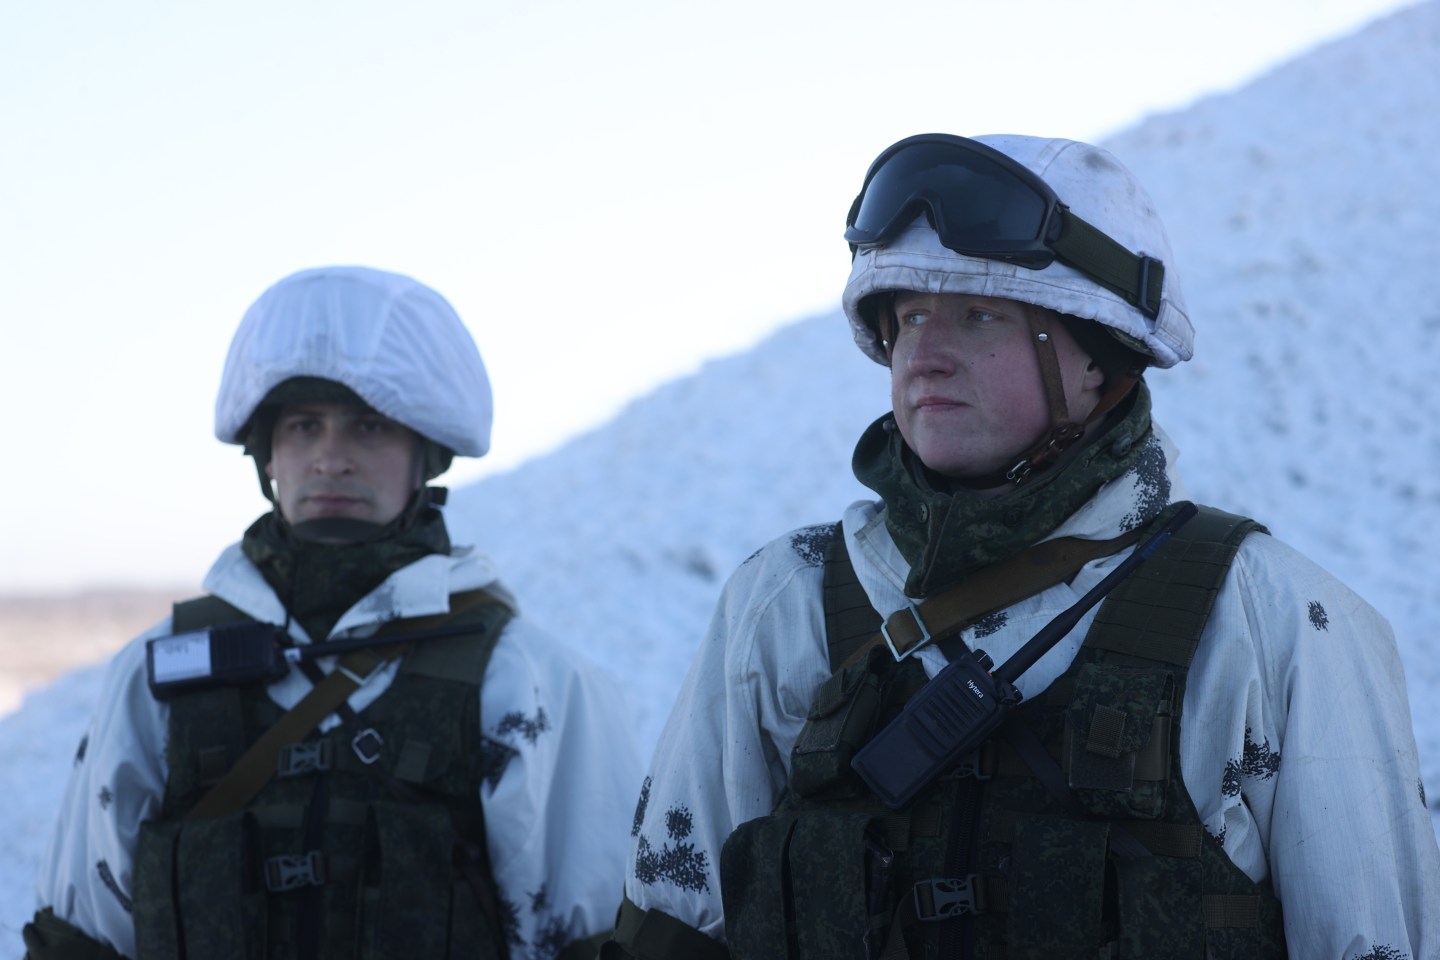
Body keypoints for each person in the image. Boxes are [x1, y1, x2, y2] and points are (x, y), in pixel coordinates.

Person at [607, 135, 1440, 958]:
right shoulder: (784, 598)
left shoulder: (1271, 616)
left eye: (980, 316)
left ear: (1097, 357)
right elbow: (670, 931)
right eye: (910, 316)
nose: (924, 358)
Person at [26, 266, 642, 960]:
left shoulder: (527, 678)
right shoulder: (158, 673)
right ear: (267, 453)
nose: (330, 459)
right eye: (303, 427)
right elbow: (82, 937)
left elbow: (594, 936)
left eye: (369, 426)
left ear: (427, 454)